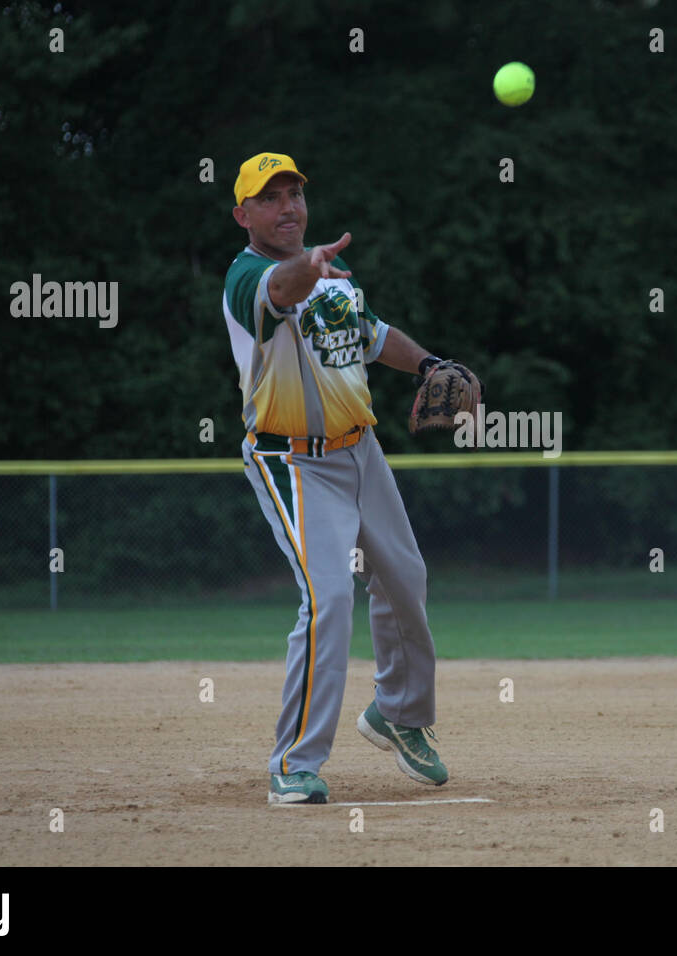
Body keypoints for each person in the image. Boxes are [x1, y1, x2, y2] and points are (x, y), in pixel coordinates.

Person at [222, 151, 451, 805]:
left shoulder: (334, 282)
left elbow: (375, 337)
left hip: (361, 451)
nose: (287, 205)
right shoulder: (247, 279)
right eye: (269, 197)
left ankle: (399, 715)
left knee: (406, 580)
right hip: (291, 460)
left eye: (293, 192)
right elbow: (279, 291)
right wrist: (308, 267)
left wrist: (432, 363)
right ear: (243, 215)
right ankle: (294, 762)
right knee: (329, 599)